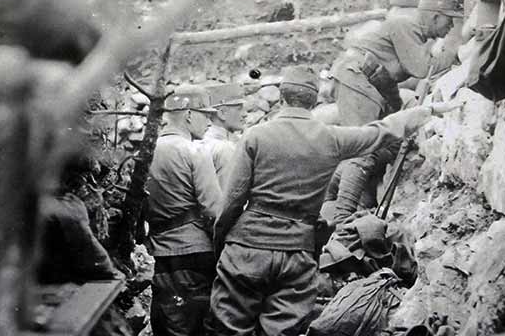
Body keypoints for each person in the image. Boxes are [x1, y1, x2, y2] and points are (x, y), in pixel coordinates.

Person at [207, 66, 462, 336]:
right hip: (298, 251)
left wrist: (222, 242)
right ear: (315, 101)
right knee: (282, 331)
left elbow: (232, 201)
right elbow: (382, 131)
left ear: (281, 99)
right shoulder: (332, 138)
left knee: (229, 328)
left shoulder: (255, 136)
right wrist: (428, 111)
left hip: (247, 246)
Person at [145, 84, 222, 336]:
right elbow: (213, 208)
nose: (209, 122)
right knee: (196, 325)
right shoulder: (195, 150)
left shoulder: (146, 151)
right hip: (195, 253)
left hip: (160, 253)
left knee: (169, 320)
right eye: (205, 115)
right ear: (189, 115)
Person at [330, 0, 464, 126]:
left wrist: (396, 108)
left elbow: (388, 76)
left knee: (379, 138)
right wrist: (454, 54)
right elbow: (422, 69)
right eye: (449, 19)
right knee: (362, 138)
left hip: (365, 79)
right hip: (356, 77)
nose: (451, 26)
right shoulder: (405, 25)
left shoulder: (414, 35)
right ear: (435, 17)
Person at [199, 83, 247, 188]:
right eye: (239, 109)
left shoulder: (232, 140)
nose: (245, 114)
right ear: (221, 113)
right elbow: (228, 193)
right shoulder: (222, 148)